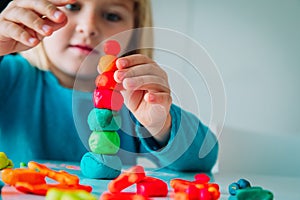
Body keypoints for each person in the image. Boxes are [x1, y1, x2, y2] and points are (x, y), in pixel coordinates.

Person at [0, 0, 218, 172]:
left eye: (112, 15)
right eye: (72, 6)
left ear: (133, 36)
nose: (89, 27)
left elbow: (202, 157)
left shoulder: (134, 99)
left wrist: (161, 125)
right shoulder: (11, 76)